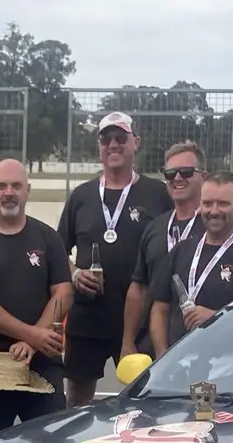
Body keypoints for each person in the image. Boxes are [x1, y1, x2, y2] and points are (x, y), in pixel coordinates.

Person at [56, 112, 173, 408]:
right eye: (106, 139)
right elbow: (58, 250)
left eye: (120, 138)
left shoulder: (157, 194)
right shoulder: (81, 196)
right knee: (78, 400)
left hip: (138, 320)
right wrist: (74, 274)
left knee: (142, 401)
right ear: (99, 146)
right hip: (88, 317)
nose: (113, 145)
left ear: (136, 142)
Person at [0, 159, 73, 443]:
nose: (9, 192)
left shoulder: (47, 237)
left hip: (42, 364)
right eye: (2, 186)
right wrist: (30, 334)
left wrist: (33, 343)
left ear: (27, 190)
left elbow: (64, 292)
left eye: (16, 186)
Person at [124, 141, 233, 359]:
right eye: (170, 173)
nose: (177, 178)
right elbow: (140, 288)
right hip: (159, 351)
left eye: (185, 172)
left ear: (204, 176)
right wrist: (127, 342)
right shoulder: (155, 227)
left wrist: (218, 319)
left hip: (216, 352)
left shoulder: (225, 224)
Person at [149, 171, 233, 356]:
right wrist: (162, 356)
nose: (214, 211)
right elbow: (160, 309)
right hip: (177, 366)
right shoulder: (181, 251)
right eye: (207, 203)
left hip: (229, 368)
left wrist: (217, 318)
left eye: (223, 204)